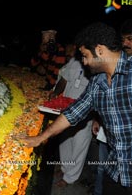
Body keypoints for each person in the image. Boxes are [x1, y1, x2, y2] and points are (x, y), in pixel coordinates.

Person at [20, 22, 132, 195]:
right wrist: (41, 137)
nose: (84, 62)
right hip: (115, 171)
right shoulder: (97, 82)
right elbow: (73, 113)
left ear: (100, 50)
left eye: (85, 55)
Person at [49, 44, 93, 187]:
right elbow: (64, 79)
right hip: (66, 109)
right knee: (65, 141)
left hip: (85, 111)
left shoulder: (97, 63)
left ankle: (70, 178)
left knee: (79, 145)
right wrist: (56, 93)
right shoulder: (74, 61)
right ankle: (64, 169)